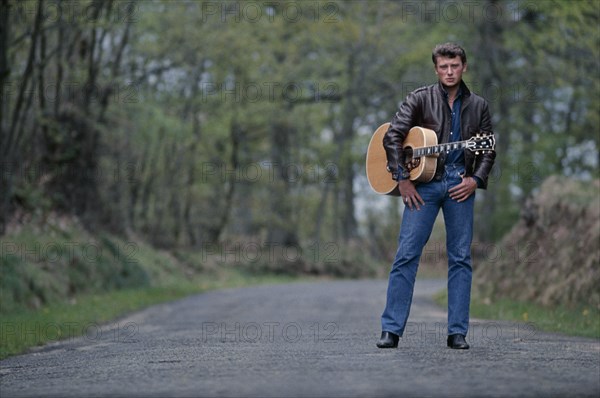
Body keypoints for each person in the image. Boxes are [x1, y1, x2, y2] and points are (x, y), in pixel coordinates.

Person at [377, 43, 495, 350]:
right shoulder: (419, 98)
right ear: (436, 69)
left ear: (464, 66)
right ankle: (391, 330)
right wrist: (402, 179)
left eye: (454, 66)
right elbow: (393, 137)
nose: (449, 71)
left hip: (460, 186)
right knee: (406, 254)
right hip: (423, 186)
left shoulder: (479, 106)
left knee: (459, 259)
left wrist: (476, 179)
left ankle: (457, 333)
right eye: (443, 67)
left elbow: (487, 150)